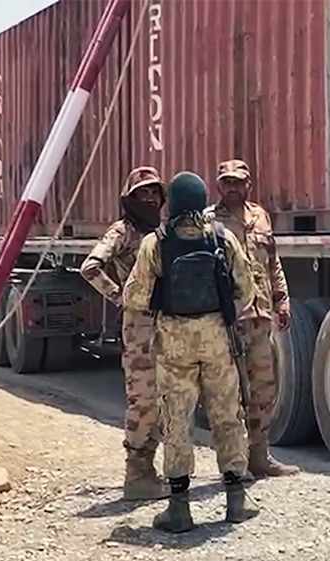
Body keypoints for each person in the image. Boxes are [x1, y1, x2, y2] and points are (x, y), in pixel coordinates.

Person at [123, 170, 260, 533]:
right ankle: (236, 500)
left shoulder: (157, 242)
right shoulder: (223, 237)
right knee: (227, 416)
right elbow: (246, 292)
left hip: (174, 345)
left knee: (177, 423)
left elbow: (134, 297)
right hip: (218, 341)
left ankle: (179, 509)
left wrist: (163, 302)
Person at [79, 166, 169, 501]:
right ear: (128, 199)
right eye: (141, 193)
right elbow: (90, 267)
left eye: (154, 193)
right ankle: (137, 473)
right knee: (143, 400)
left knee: (162, 400)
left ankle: (150, 471)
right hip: (139, 326)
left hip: (164, 324)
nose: (149, 198)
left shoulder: (159, 231)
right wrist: (122, 296)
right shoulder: (123, 231)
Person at [208, 159, 300, 477]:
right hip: (228, 322)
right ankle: (233, 462)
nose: (233, 188)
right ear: (218, 186)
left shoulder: (260, 216)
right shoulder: (209, 221)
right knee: (231, 392)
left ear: (249, 184)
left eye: (238, 182)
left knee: (264, 388)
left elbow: (272, 262)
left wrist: (282, 300)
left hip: (261, 317)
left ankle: (259, 456)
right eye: (227, 182)